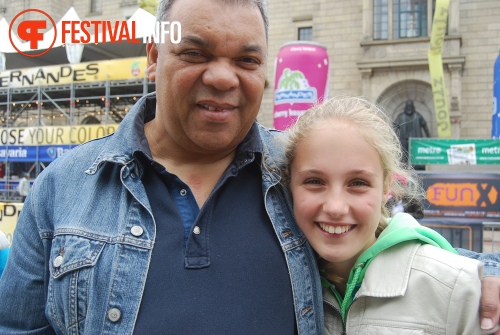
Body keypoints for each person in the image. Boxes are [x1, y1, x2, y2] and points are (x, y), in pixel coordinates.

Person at [0, 0, 498, 334]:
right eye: (195, 53)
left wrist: (486, 276)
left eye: (247, 61)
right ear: (153, 57)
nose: (222, 78)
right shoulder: (62, 188)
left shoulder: (302, 172)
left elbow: (389, 240)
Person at [285, 96, 483, 334]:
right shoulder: (275, 283)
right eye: (314, 181)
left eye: (358, 183)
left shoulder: (458, 288)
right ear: (289, 183)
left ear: (386, 186)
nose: (335, 207)